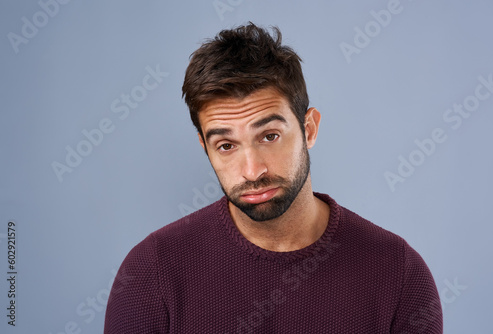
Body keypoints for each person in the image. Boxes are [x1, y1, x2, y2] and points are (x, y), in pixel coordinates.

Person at [104, 23, 443, 333]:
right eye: (225, 145)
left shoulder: (399, 273)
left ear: (308, 129)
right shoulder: (151, 274)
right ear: (205, 148)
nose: (252, 171)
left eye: (269, 136)